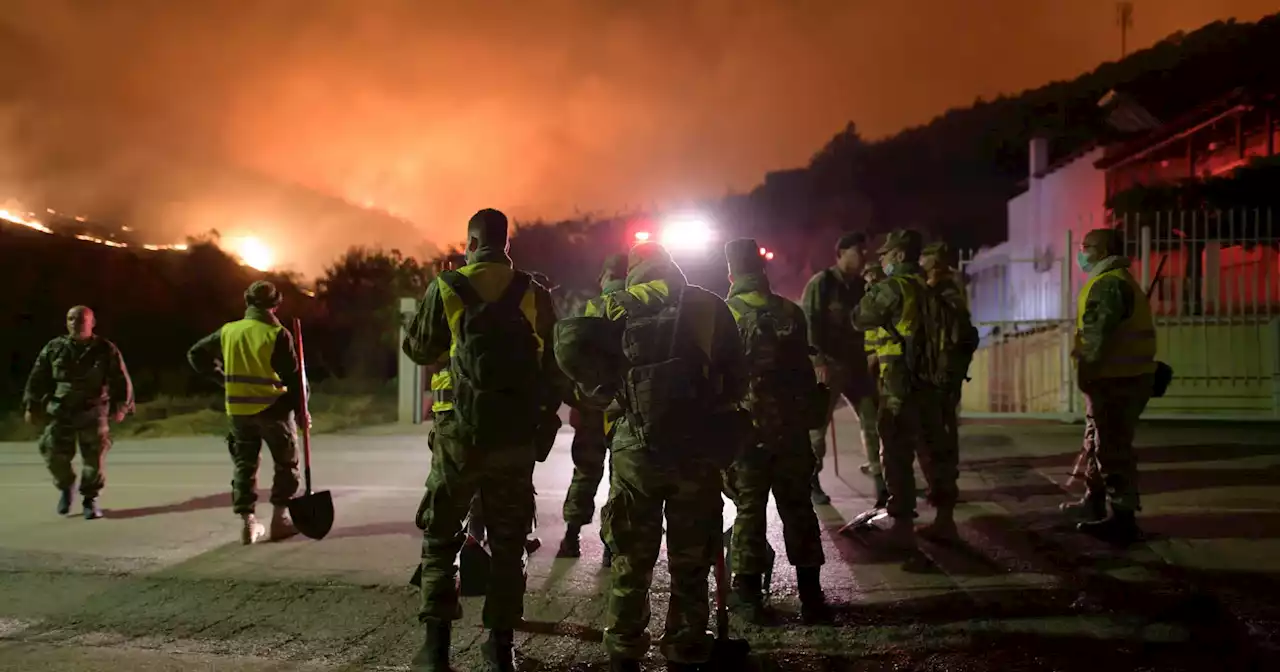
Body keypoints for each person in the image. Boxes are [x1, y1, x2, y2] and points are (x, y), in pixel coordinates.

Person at [553, 242, 747, 671]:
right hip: (696, 454)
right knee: (691, 559)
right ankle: (685, 648)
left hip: (633, 452)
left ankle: (624, 649)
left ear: (635, 270)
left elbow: (588, 387)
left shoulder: (610, 306)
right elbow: (736, 381)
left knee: (631, 559)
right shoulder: (709, 306)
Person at [401, 208, 565, 672]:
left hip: (458, 437)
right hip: (513, 434)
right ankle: (501, 648)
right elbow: (554, 363)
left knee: (441, 537)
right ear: (506, 244)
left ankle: (436, 649)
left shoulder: (448, 287)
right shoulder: (532, 291)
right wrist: (543, 419)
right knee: (510, 542)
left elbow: (419, 350)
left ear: (469, 243)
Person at [721, 238, 827, 625]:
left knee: (750, 509)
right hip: (792, 431)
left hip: (747, 432)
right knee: (799, 507)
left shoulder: (725, 314)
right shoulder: (790, 312)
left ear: (731, 273)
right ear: (761, 271)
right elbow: (805, 371)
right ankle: (812, 597)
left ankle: (748, 597)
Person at [852, 230, 953, 548]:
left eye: (885, 255)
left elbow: (860, 318)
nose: (881, 260)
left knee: (896, 450)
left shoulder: (893, 288)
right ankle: (944, 519)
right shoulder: (931, 286)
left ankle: (903, 523)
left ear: (897, 256)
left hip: (899, 381)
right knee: (934, 451)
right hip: (932, 381)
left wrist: (872, 288)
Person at [187, 281, 303, 545]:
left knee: (244, 465)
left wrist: (222, 378)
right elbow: (293, 378)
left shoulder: (229, 330)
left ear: (247, 302)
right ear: (276, 304)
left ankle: (248, 525)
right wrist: (301, 410)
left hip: (238, 411)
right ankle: (280, 519)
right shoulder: (277, 333)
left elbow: (196, 354)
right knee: (286, 464)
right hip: (273, 409)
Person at [1062, 228, 1156, 545]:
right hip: (1123, 377)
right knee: (1097, 442)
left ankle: (1123, 519)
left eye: (1085, 247)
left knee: (1112, 449)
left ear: (1101, 251)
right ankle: (1094, 502)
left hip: (1116, 380)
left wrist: (1085, 373)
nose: (1081, 252)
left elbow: (1095, 338)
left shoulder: (1108, 284)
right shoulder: (1118, 280)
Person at [23, 306, 134, 519]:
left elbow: (121, 378)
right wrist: (32, 405)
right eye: (71, 319)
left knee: (94, 459)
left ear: (92, 323)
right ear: (67, 323)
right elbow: (38, 377)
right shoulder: (54, 348)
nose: (77, 323)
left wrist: (122, 406)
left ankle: (90, 500)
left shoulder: (105, 349)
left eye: (82, 319)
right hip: (61, 410)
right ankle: (66, 487)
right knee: (52, 451)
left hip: (93, 411)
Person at [557, 253, 628, 564]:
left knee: (585, 473)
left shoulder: (588, 309)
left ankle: (571, 538)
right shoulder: (639, 307)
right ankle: (611, 548)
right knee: (620, 480)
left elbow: (569, 358)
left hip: (590, 409)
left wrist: (574, 400)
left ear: (603, 278)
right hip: (624, 409)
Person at [802, 232, 880, 505]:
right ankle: (812, 481)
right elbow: (808, 324)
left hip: (856, 364)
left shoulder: (861, 286)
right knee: (817, 428)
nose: (863, 256)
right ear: (842, 253)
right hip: (829, 364)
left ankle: (881, 478)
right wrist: (818, 361)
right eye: (858, 251)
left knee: (873, 420)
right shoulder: (822, 284)